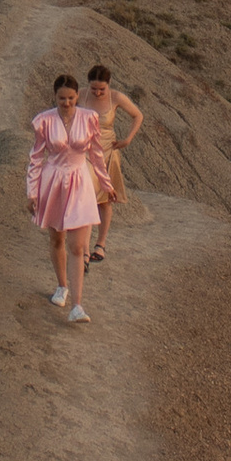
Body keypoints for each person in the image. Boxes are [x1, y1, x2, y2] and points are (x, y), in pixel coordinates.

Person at [25, 72, 106, 319]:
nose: (67, 103)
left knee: (77, 245)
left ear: (77, 96)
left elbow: (97, 153)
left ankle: (77, 305)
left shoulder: (89, 117)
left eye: (71, 98)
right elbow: (36, 157)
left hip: (80, 181)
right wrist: (32, 191)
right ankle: (62, 287)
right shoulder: (44, 121)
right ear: (55, 97)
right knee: (57, 240)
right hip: (54, 181)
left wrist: (105, 182)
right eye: (62, 98)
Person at [83, 63, 143, 262]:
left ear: (109, 85)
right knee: (86, 196)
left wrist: (128, 139)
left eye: (102, 89)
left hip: (108, 150)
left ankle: (100, 244)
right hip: (84, 151)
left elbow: (137, 115)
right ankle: (83, 246)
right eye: (94, 89)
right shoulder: (81, 95)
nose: (98, 92)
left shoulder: (116, 97)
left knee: (105, 200)